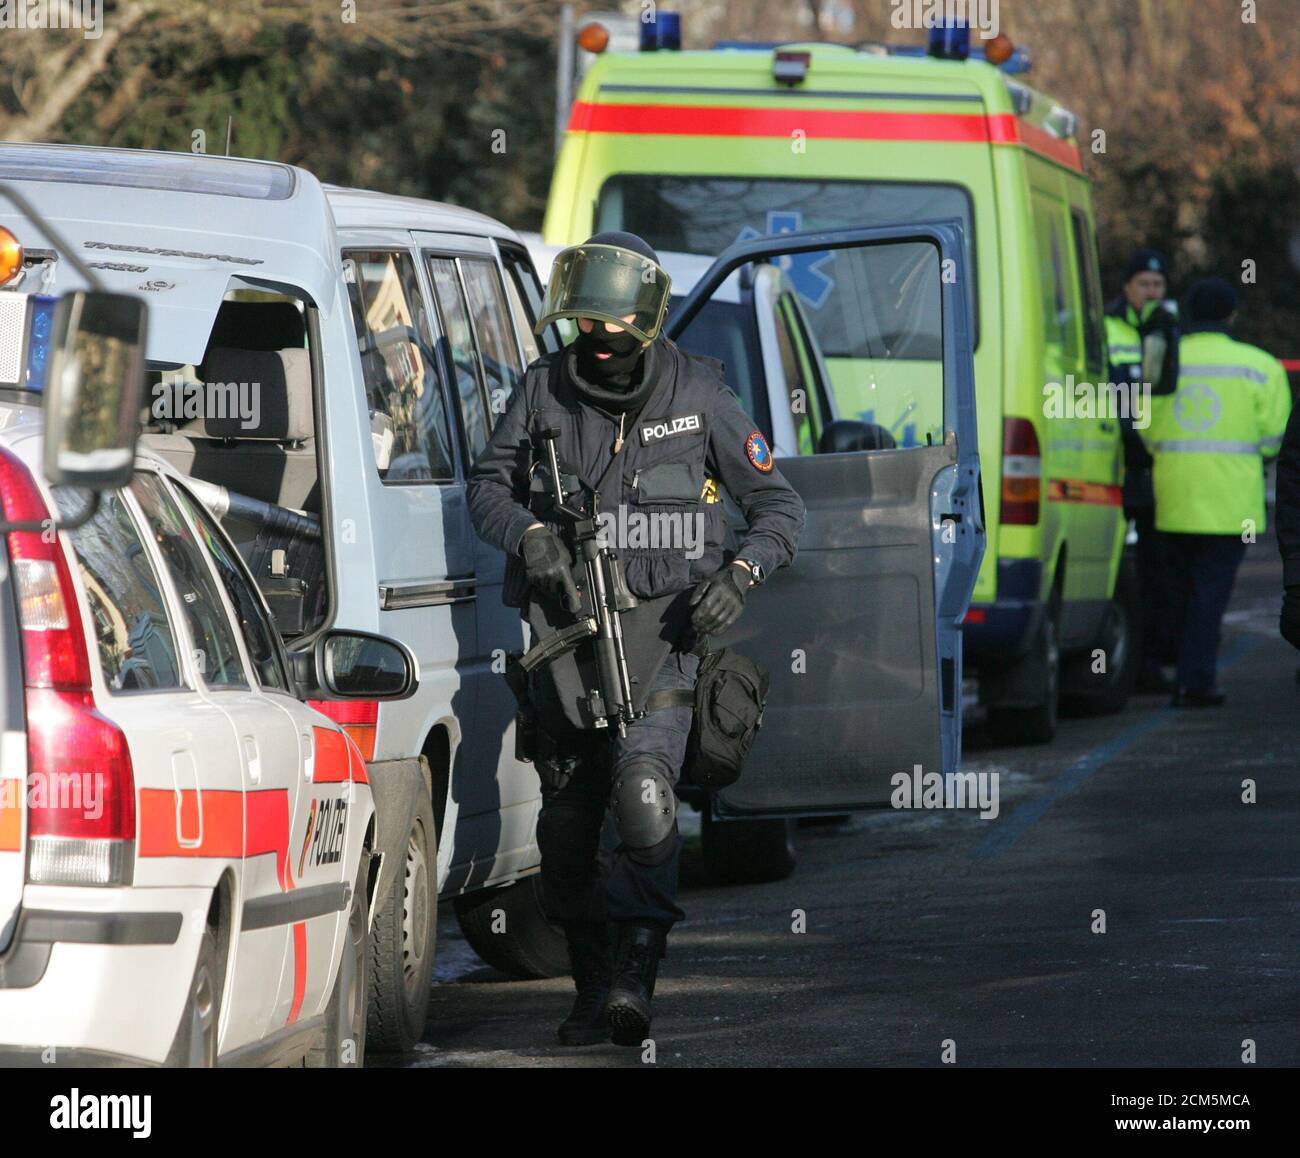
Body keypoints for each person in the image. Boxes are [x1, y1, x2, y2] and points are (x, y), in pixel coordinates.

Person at [466, 231, 805, 1046]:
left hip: (666, 638)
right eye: (587, 321)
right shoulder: (544, 390)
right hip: (565, 643)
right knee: (568, 831)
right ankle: (589, 991)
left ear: (647, 323)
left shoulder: (703, 396)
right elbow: (486, 486)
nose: (602, 337)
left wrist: (740, 578)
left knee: (646, 800)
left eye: (616, 323)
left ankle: (634, 981)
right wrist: (527, 536)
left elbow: (782, 511)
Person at [1140, 277, 1291, 706]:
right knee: (1210, 594)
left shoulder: (1167, 360)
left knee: (1180, 592)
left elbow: (1146, 429)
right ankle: (1195, 680)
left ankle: (1176, 670)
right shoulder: (1260, 366)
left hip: (1174, 497)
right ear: (1232, 314)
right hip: (1231, 504)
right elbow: (1274, 437)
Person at [1105, 247, 1179, 692]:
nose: (1152, 292)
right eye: (1144, 285)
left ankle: (1149, 661)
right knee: (1113, 565)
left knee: (1156, 568)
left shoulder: (1170, 330)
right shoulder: (1105, 327)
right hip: (1111, 461)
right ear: (1127, 287)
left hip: (1154, 467)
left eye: (1158, 285)